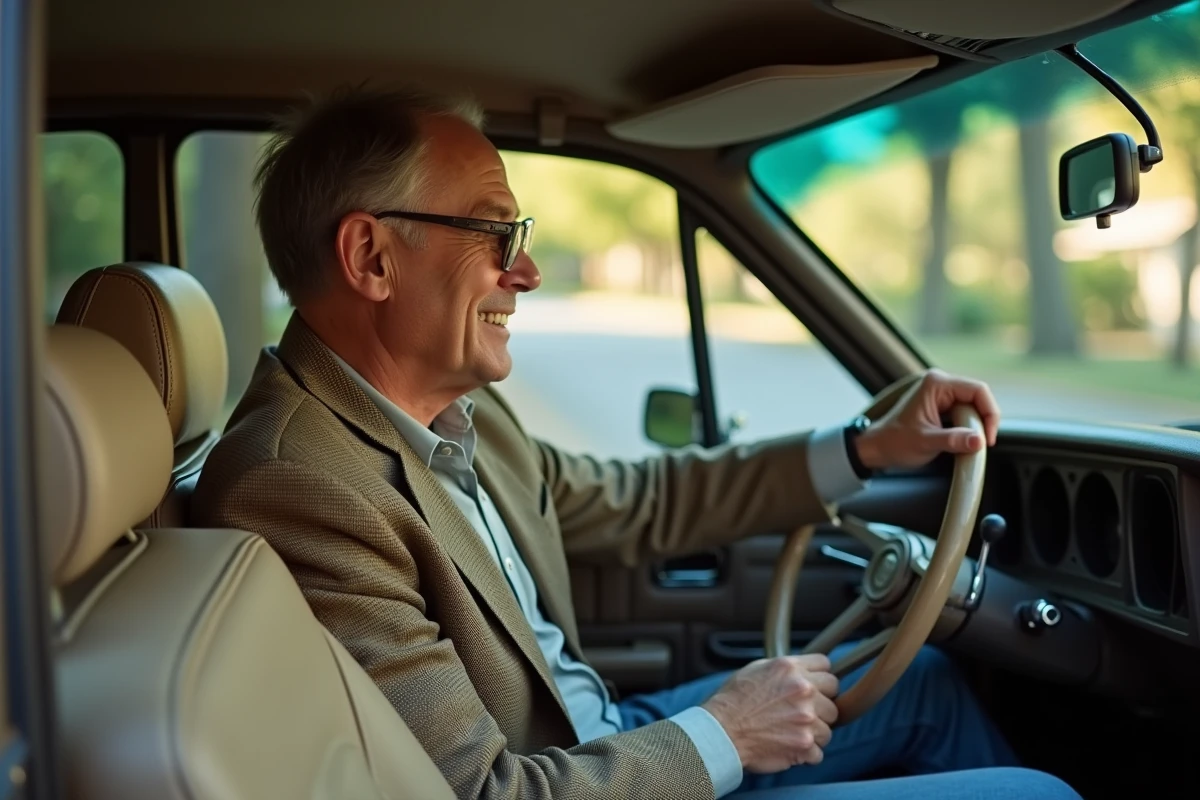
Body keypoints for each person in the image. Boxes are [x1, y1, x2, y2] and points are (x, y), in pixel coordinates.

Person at [193, 87, 1080, 800]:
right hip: (588, 777)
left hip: (611, 739)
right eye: (497, 233)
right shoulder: (297, 484)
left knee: (922, 678)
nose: (527, 273)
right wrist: (726, 733)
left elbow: (644, 500)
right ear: (372, 258)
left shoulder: (458, 412)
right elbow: (480, 794)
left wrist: (864, 449)